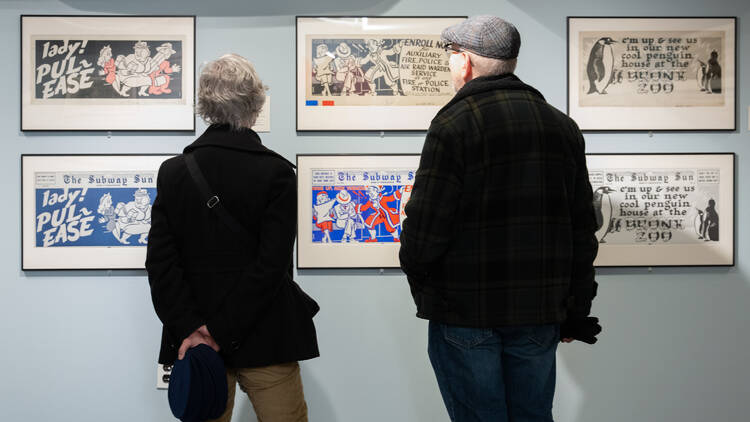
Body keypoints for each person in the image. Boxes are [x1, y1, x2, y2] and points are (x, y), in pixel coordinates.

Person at [399, 16, 601, 422]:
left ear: (466, 63)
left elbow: (424, 229)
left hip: (464, 311)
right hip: (538, 311)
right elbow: (582, 229)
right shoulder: (562, 128)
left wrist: (423, 285)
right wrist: (576, 307)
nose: (451, 64)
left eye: (451, 55)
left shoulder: (452, 125)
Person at [146, 53, 320, 422]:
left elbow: (161, 263)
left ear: (205, 105)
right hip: (266, 333)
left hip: (196, 344)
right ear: (256, 104)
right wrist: (221, 330)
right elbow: (271, 266)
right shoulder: (276, 173)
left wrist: (194, 330)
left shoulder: (174, 172)